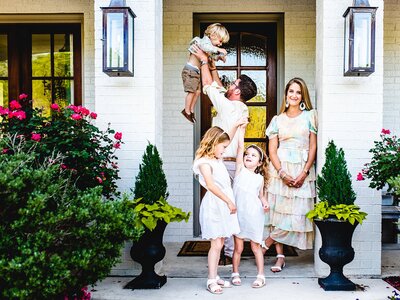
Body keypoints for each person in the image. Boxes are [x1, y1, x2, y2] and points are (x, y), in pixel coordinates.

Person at [192, 43, 258, 264]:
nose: (230, 84)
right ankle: (229, 255)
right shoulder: (240, 108)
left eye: (234, 83)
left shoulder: (228, 107)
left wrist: (202, 60)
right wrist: (212, 64)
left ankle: (222, 254)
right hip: (234, 164)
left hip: (222, 165)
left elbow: (210, 86)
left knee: (220, 207)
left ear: (237, 91)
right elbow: (220, 85)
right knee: (230, 206)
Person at [263, 77, 317, 273]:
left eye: (298, 92)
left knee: (297, 214)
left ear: (302, 96)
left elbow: (313, 146)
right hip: (280, 171)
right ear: (286, 95)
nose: (294, 95)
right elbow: (272, 150)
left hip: (302, 169)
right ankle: (280, 258)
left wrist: (304, 172)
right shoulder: (277, 120)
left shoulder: (310, 116)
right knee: (279, 214)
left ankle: (264, 244)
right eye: (291, 91)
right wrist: (282, 172)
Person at [192, 126, 242, 295]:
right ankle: (211, 280)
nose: (225, 150)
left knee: (220, 243)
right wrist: (229, 201)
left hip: (223, 204)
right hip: (215, 205)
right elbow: (211, 185)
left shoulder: (216, 158)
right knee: (215, 244)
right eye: (224, 147)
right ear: (214, 144)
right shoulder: (204, 162)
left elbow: (228, 135)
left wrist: (237, 126)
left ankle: (216, 275)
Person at [230, 124, 270, 288]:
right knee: (238, 247)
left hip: (254, 215)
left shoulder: (259, 179)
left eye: (253, 155)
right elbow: (240, 148)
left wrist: (265, 202)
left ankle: (261, 274)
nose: (248, 156)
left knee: (256, 246)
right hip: (238, 215)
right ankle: (235, 272)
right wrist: (241, 131)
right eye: (247, 154)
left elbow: (260, 196)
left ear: (259, 162)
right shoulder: (239, 170)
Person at [181, 23, 229, 123]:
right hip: (190, 70)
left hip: (195, 72)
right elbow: (207, 49)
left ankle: (191, 110)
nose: (220, 44)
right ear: (213, 35)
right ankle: (186, 111)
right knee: (192, 92)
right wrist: (219, 50)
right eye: (220, 41)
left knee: (198, 92)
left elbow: (210, 56)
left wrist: (219, 57)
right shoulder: (201, 42)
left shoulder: (208, 47)